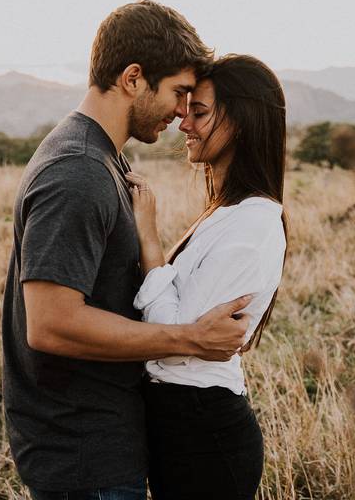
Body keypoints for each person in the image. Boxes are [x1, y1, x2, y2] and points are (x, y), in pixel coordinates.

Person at [2, 0, 256, 500]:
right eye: (179, 92)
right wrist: (188, 339)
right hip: (85, 455)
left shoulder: (101, 158)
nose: (184, 111)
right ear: (134, 78)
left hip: (100, 439)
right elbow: (51, 323)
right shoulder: (75, 172)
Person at [124, 54, 288, 500]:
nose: (184, 124)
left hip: (204, 434)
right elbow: (183, 333)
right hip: (180, 425)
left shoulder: (253, 224)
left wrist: (149, 238)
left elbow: (178, 344)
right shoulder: (226, 213)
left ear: (243, 121)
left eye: (199, 113)